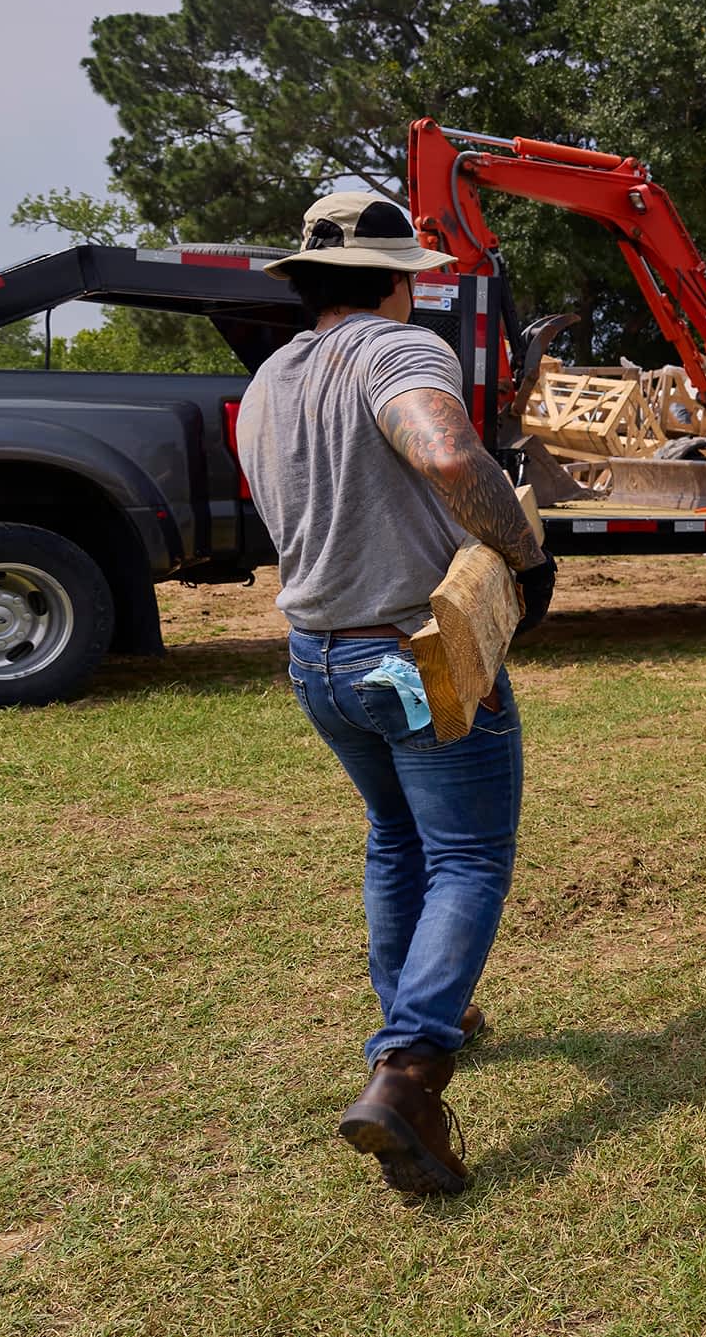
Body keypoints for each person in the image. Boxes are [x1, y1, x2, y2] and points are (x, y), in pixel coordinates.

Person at [236, 192, 556, 1197]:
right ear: (395, 277)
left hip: (317, 656)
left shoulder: (273, 378)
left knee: (397, 836)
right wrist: (522, 545)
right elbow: (450, 453)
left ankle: (429, 1009)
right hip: (412, 655)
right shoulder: (394, 350)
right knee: (465, 854)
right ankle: (412, 1069)